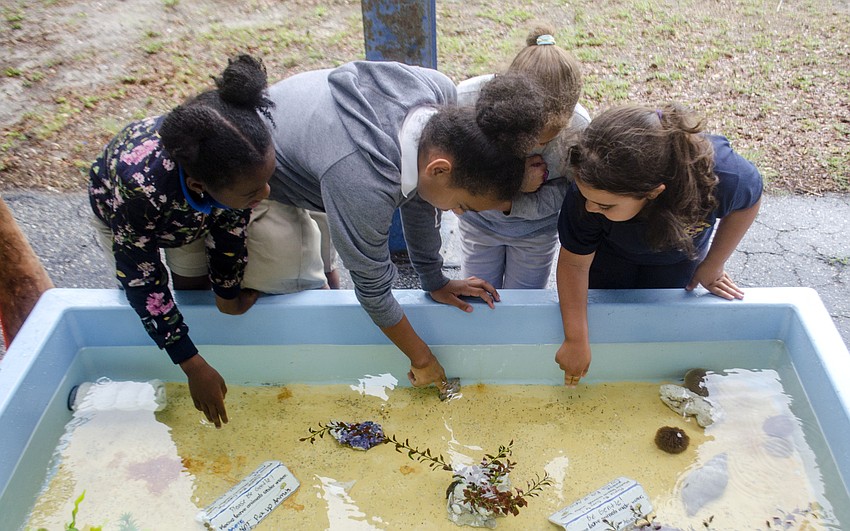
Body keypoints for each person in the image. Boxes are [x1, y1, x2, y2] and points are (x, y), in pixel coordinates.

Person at [246, 60, 547, 392]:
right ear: (440, 169)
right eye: (463, 205)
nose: (459, 214)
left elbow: (420, 195)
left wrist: (435, 279)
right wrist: (423, 360)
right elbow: (372, 291)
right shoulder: (364, 183)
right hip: (257, 178)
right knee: (287, 283)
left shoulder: (438, 95)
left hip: (321, 148)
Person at [88, 55, 277, 428]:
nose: (267, 193)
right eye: (255, 190)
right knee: (147, 296)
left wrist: (228, 298)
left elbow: (230, 230)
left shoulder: (236, 160)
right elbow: (143, 281)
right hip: (124, 212)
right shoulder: (139, 190)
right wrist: (192, 364)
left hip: (197, 208)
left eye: (268, 180)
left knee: (195, 289)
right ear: (198, 185)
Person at [555, 103, 763, 387]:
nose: (590, 208)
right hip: (610, 253)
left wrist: (713, 265)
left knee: (660, 321)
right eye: (585, 197)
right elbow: (575, 262)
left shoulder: (724, 177)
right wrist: (575, 339)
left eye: (604, 205)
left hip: (678, 256)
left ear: (653, 192)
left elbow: (748, 203)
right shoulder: (588, 192)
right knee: (609, 315)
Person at [455, 27, 590, 289]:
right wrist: (516, 181)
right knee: (479, 297)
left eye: (548, 139)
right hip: (479, 225)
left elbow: (571, 192)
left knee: (525, 304)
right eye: (528, 138)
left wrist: (509, 202)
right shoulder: (466, 102)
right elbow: (451, 167)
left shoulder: (580, 129)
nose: (537, 146)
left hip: (535, 234)